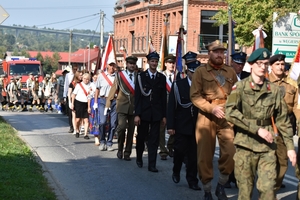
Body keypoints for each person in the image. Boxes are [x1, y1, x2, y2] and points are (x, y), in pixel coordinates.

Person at [225, 48, 297, 200]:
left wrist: (290, 148)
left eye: (265, 64)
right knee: (245, 191)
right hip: (245, 146)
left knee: (268, 190)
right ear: (251, 65)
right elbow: (230, 112)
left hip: (267, 147)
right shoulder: (240, 87)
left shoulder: (275, 90)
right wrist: (257, 130)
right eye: (259, 63)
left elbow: (283, 120)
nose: (263, 67)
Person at [190, 40, 237, 200]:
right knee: (204, 156)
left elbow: (237, 92)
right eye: (216, 52)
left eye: (222, 52)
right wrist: (211, 108)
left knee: (231, 152)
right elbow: (195, 96)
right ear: (209, 53)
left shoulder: (230, 72)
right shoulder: (200, 72)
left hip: (226, 116)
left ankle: (221, 185)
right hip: (206, 116)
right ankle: (207, 189)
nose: (219, 55)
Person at [167, 56, 201, 190]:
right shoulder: (178, 85)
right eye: (192, 72)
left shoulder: (202, 86)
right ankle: (176, 170)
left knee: (193, 155)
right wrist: (171, 126)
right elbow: (171, 107)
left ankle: (192, 179)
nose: (194, 75)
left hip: (197, 125)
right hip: (181, 125)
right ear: (188, 72)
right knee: (179, 152)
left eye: (197, 72)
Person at [268, 54, 300, 193]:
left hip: (284, 127)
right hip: (266, 125)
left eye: (282, 64)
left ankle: (274, 188)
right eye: (277, 64)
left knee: (282, 163)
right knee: (266, 162)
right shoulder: (263, 82)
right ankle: (267, 192)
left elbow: (296, 107)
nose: (281, 67)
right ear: (271, 66)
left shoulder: (291, 85)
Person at [134, 51, 167, 172]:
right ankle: (139, 157)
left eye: (156, 61)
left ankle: (152, 164)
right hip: (144, 113)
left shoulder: (161, 78)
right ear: (148, 62)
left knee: (154, 139)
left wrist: (164, 115)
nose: (154, 63)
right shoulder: (141, 77)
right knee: (141, 137)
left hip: (156, 114)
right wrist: (137, 114)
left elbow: (163, 98)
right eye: (152, 61)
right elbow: (137, 97)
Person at [105, 56, 137, 161]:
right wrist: (108, 104)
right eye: (130, 63)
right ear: (126, 64)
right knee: (122, 128)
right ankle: (120, 149)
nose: (132, 65)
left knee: (131, 131)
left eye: (133, 63)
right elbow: (114, 89)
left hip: (134, 106)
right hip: (122, 106)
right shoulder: (119, 76)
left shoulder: (138, 76)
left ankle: (127, 152)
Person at [93, 59, 117, 152]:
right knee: (102, 122)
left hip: (114, 101)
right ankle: (102, 140)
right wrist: (95, 102)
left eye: (113, 65)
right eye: (110, 65)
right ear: (107, 65)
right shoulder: (101, 76)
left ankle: (109, 142)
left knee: (113, 123)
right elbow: (97, 89)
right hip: (103, 99)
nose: (112, 67)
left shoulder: (117, 76)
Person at [159, 55, 177, 160]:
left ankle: (170, 146)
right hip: (163, 105)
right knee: (161, 128)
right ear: (165, 64)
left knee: (174, 128)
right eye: (169, 63)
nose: (172, 65)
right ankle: (162, 150)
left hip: (174, 106)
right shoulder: (161, 76)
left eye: (173, 63)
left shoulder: (178, 76)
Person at [71, 73, 92, 139]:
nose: (86, 80)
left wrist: (89, 107)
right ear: (82, 79)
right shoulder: (78, 85)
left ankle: (86, 134)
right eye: (85, 79)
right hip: (79, 103)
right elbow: (74, 94)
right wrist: (72, 103)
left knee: (86, 119)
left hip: (86, 103)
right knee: (78, 119)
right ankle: (77, 130)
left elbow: (92, 94)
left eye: (87, 79)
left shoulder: (91, 85)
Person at [64, 65, 78, 133]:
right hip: (69, 94)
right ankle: (71, 127)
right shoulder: (68, 75)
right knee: (70, 112)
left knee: (76, 112)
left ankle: (76, 126)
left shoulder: (79, 76)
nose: (75, 70)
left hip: (77, 96)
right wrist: (65, 95)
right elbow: (66, 85)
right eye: (74, 68)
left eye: (76, 69)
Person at [68, 71, 83, 136]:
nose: (81, 76)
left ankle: (78, 128)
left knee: (80, 116)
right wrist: (70, 102)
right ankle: (75, 129)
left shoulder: (82, 83)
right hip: (74, 100)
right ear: (77, 76)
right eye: (80, 75)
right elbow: (69, 93)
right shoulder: (72, 83)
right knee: (74, 115)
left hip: (81, 100)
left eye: (82, 75)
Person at [88, 72, 101, 145]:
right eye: (95, 77)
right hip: (95, 102)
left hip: (102, 101)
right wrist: (89, 106)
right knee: (95, 119)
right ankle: (96, 137)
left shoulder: (104, 83)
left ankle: (101, 135)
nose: (96, 78)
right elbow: (89, 96)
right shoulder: (92, 85)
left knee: (102, 120)